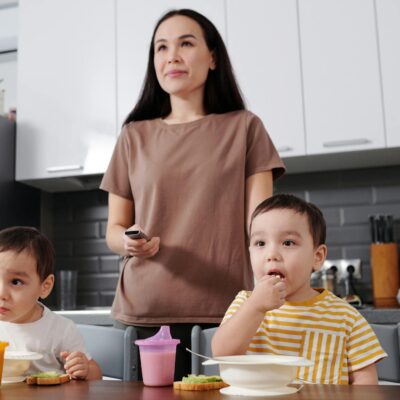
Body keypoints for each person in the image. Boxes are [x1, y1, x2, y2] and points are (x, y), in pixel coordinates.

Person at [100, 8, 285, 379]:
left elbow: (262, 228)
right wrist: (129, 243)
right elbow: (114, 230)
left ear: (213, 57)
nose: (172, 56)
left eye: (186, 43)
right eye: (161, 48)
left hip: (227, 314)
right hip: (144, 310)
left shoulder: (245, 128)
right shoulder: (133, 136)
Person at [212, 194, 387, 384]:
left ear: (317, 257)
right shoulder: (245, 304)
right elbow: (222, 352)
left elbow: (365, 379)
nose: (271, 255)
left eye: (288, 243)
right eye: (260, 243)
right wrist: (255, 307)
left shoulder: (346, 317)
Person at [0, 226, 102, 380]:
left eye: (16, 281)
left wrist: (84, 368)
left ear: (45, 286)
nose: (1, 294)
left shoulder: (60, 329)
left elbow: (96, 374)